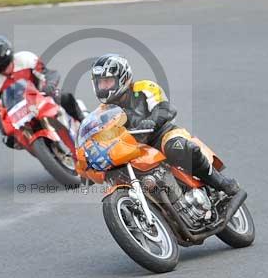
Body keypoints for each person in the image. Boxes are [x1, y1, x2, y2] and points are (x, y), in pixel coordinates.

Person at [89, 53, 239, 196]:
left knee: (177, 147)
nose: (104, 87)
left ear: (122, 77)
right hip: (133, 149)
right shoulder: (103, 112)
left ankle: (220, 182)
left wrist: (152, 121)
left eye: (107, 81)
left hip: (162, 135)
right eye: (100, 83)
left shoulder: (144, 88)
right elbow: (99, 135)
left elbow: (164, 108)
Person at [0, 35, 84, 148]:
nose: (5, 70)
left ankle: (85, 122)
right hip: (19, 112)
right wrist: (2, 125)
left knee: (64, 97)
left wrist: (49, 86)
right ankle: (46, 152)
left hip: (40, 97)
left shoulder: (26, 58)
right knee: (8, 139)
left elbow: (50, 74)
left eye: (6, 65)